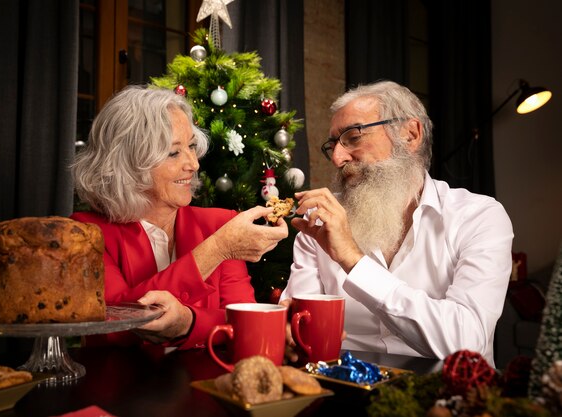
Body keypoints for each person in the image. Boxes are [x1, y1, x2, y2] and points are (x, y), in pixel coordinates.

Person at [280, 80, 513, 366]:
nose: (338, 158)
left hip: (444, 398)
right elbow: (300, 327)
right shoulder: (318, 223)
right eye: (333, 146)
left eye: (353, 137)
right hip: (344, 391)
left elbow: (467, 339)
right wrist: (288, 329)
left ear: (410, 135)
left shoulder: (479, 217)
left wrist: (353, 260)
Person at [71, 84, 288, 350]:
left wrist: (188, 322)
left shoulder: (220, 224)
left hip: (207, 386)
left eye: (192, 147)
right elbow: (115, 325)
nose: (194, 164)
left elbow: (244, 323)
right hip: (122, 388)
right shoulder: (86, 232)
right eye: (174, 152)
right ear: (127, 162)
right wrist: (217, 249)